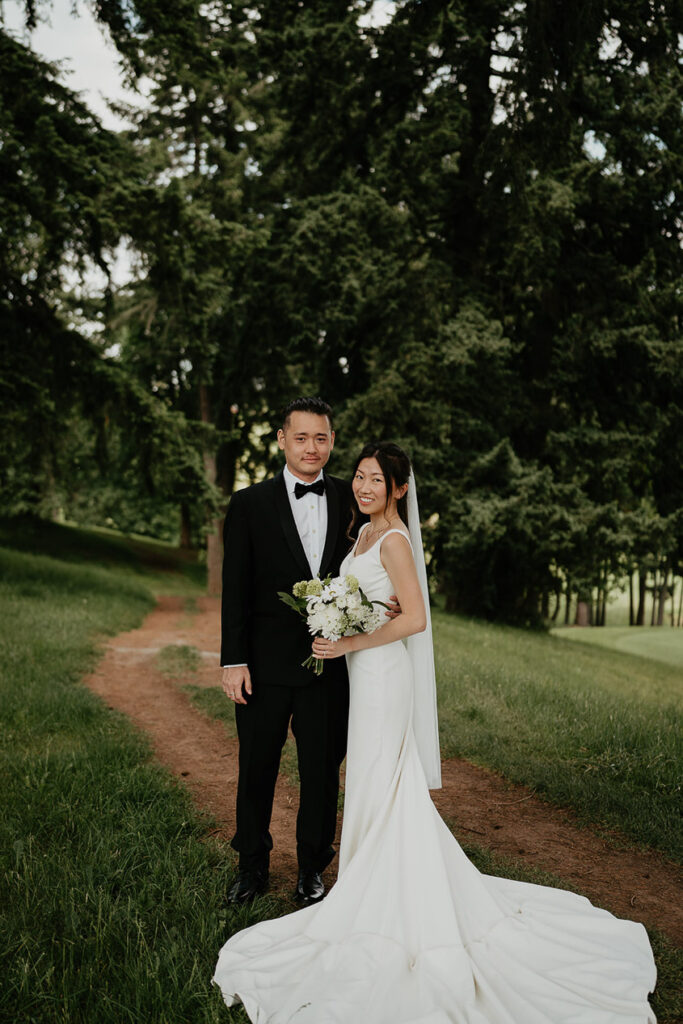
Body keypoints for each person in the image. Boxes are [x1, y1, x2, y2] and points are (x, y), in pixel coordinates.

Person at [214, 440, 657, 1023]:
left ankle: (379, 900)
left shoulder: (393, 539)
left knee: (381, 778)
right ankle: (364, 886)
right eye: (361, 477)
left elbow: (417, 618)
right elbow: (378, 604)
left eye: (378, 480)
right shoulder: (362, 534)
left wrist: (347, 640)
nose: (365, 486)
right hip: (363, 677)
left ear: (400, 488)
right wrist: (351, 618)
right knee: (370, 783)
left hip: (382, 679)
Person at [220, 397, 379, 906]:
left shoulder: (353, 500)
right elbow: (235, 590)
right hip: (262, 668)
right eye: (302, 438)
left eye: (322, 438)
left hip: (329, 667)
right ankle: (251, 867)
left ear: (332, 442)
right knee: (257, 768)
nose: (312, 448)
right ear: (284, 440)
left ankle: (312, 867)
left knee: (320, 772)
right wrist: (233, 660)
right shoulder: (249, 504)